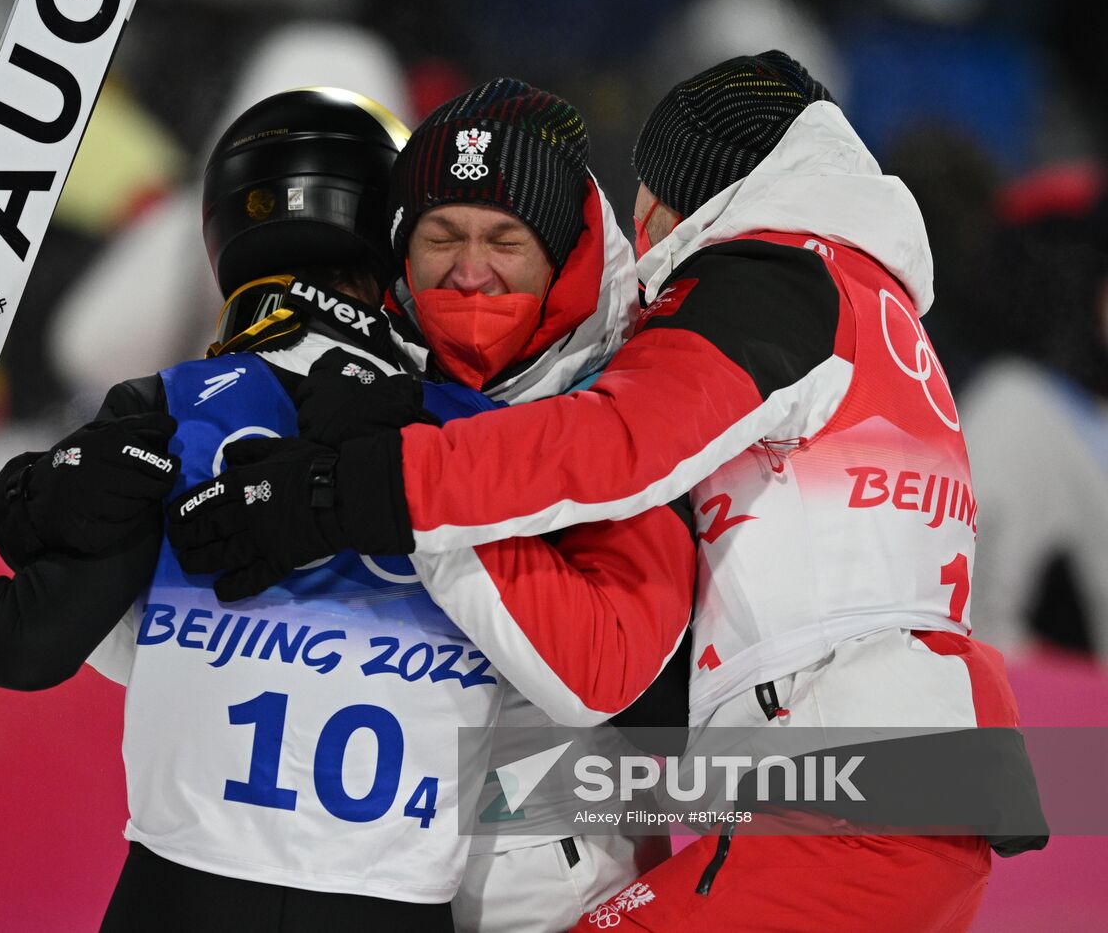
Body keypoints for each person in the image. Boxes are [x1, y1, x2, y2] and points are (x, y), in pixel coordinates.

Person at [0, 84, 686, 931]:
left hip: (195, 886)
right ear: (396, 239)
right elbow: (666, 723)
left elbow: (35, 642)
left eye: (503, 244)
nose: (472, 275)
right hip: (427, 888)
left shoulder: (180, 405)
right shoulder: (506, 438)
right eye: (446, 238)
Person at [167, 52, 1048, 932]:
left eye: (650, 207)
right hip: (893, 776)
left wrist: (366, 479)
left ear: (689, 197)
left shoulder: (772, 276)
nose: (648, 249)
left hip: (843, 783)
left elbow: (614, 442)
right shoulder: (868, 302)